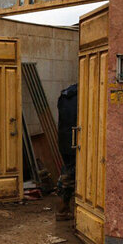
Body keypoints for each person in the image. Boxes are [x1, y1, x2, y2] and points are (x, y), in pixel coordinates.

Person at [56, 83, 77, 221]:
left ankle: (63, 208)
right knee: (71, 174)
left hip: (65, 139)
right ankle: (63, 210)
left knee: (67, 172)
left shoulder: (65, 94)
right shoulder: (84, 94)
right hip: (77, 140)